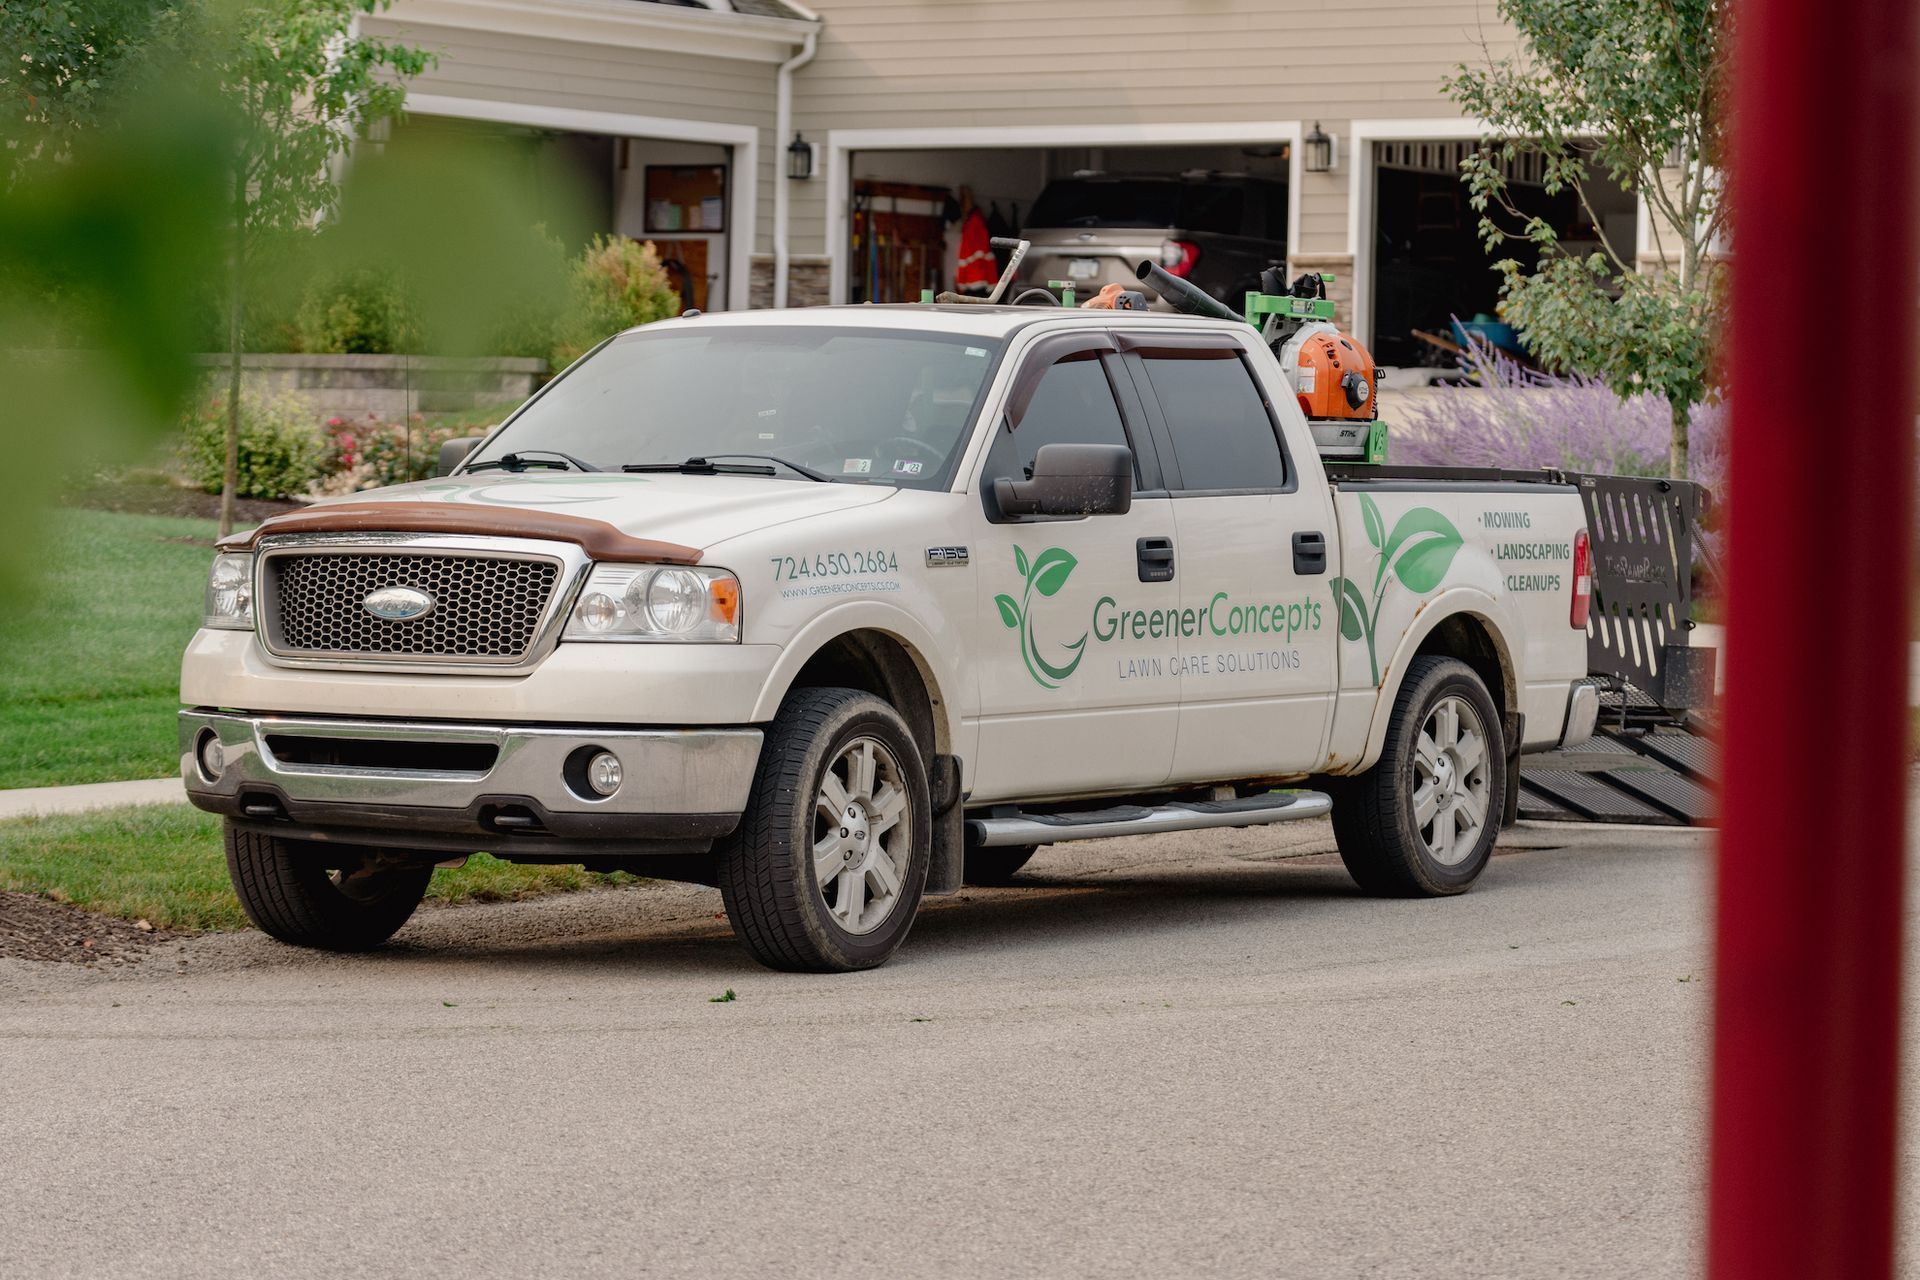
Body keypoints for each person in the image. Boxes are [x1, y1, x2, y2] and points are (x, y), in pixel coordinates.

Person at [953, 186, 995, 297]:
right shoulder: (976, 222)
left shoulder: (973, 224)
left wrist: (960, 283)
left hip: (974, 281)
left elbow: (965, 256)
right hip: (980, 280)